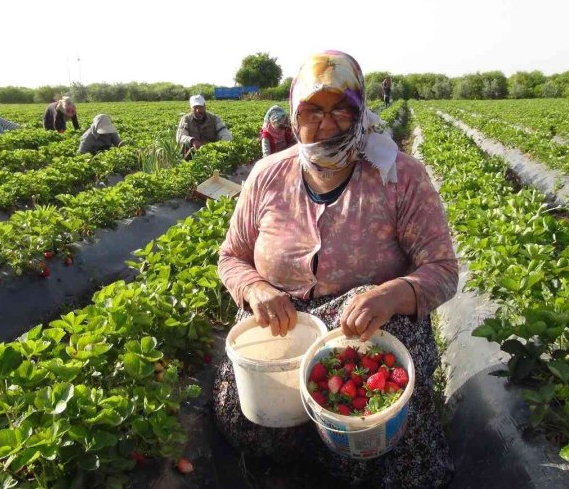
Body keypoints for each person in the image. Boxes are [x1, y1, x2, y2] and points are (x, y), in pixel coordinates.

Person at [215, 51, 458, 488]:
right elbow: (231, 256)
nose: (325, 124)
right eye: (312, 111)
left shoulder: (400, 176)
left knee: (378, 446)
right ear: (293, 116)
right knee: (248, 421)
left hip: (369, 327)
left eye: (340, 109)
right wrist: (254, 289)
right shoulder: (267, 175)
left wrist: (392, 294)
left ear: (360, 111)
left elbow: (442, 270)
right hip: (284, 325)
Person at [176, 94, 232, 160]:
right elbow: (179, 137)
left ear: (205, 107)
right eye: (195, 107)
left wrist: (218, 146)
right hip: (193, 151)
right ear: (191, 108)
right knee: (184, 145)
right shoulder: (185, 119)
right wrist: (192, 140)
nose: (198, 111)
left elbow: (226, 134)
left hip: (212, 152)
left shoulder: (214, 118)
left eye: (200, 107)